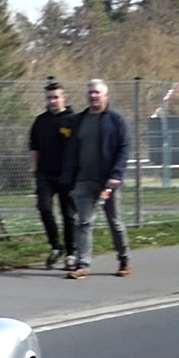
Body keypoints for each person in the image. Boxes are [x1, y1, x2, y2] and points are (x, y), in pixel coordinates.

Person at [59, 78, 132, 280]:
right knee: (84, 222)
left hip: (108, 181)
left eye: (97, 93)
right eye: (90, 93)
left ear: (106, 96)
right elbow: (71, 151)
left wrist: (116, 175)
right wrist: (69, 179)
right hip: (84, 181)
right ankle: (83, 264)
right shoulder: (80, 120)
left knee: (115, 223)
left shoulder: (115, 120)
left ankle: (124, 259)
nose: (93, 96)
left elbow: (124, 148)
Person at [27, 81, 78, 268]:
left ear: (64, 97)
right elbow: (33, 146)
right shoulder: (41, 121)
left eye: (56, 97)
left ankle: (72, 252)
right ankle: (56, 247)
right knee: (44, 208)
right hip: (45, 174)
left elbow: (79, 148)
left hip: (67, 175)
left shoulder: (73, 120)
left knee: (69, 215)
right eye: (49, 98)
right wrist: (34, 168)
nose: (53, 101)